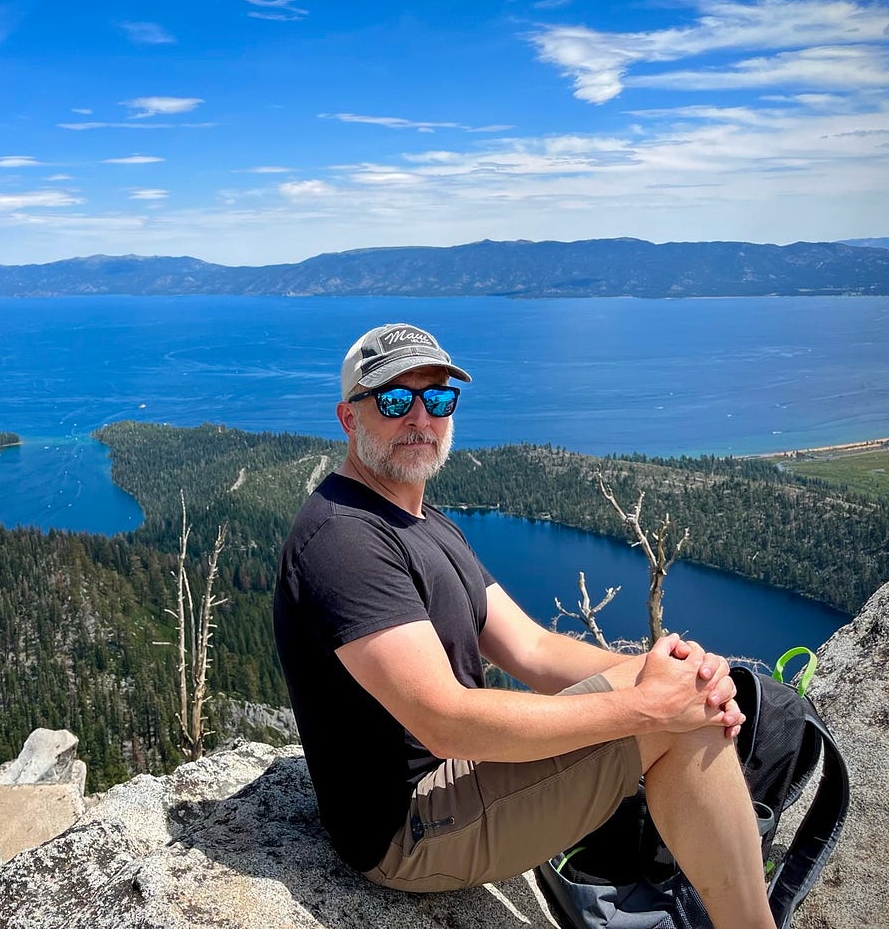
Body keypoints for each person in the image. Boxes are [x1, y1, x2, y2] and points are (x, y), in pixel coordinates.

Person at [273, 322, 776, 928]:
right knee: (681, 724)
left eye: (436, 398)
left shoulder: (422, 521)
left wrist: (667, 673)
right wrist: (650, 709)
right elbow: (446, 723)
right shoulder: (344, 540)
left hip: (448, 786)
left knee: (685, 696)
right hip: (408, 826)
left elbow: (531, 648)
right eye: (394, 399)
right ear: (349, 419)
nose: (420, 418)